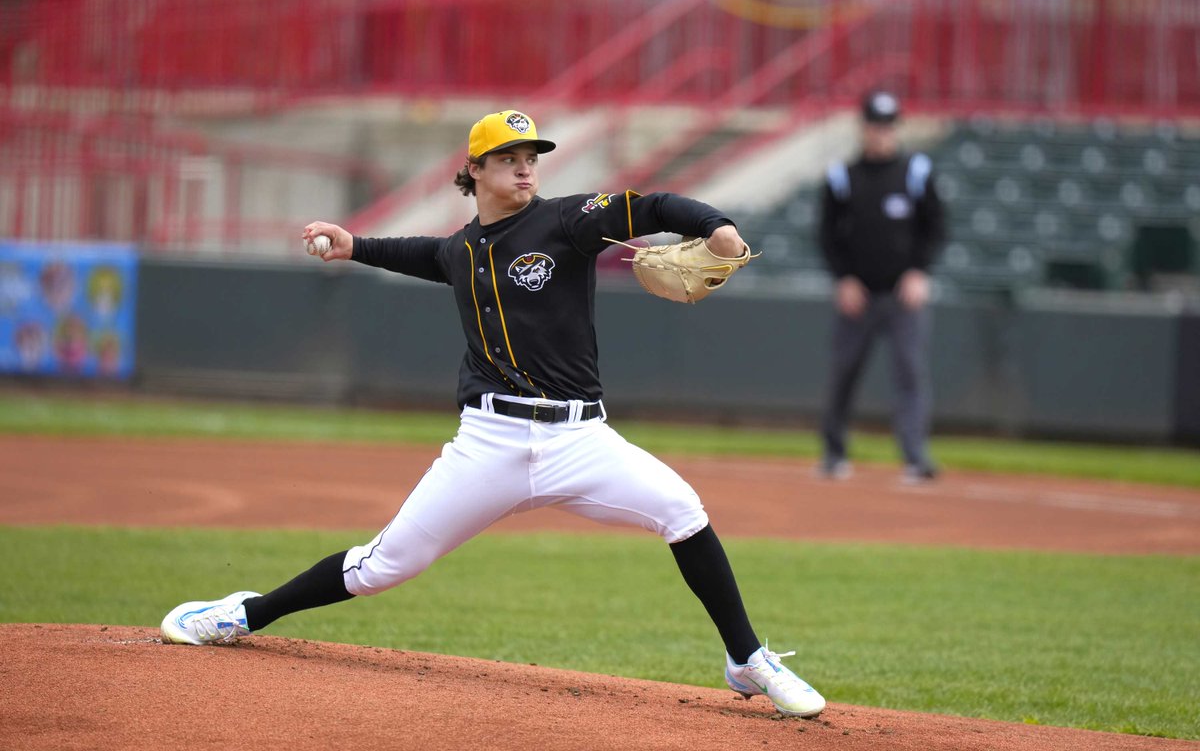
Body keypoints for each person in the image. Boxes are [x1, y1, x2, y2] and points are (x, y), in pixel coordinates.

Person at [160, 109, 826, 718]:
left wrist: (715, 226)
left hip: (581, 439)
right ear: (474, 170)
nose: (526, 166)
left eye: (531, 155)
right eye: (509, 157)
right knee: (379, 569)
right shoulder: (463, 249)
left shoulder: (568, 219)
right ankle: (246, 612)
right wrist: (353, 245)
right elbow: (426, 255)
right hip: (490, 444)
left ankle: (746, 660)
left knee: (683, 511)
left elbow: (648, 204)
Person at [816, 91, 947, 484]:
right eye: (875, 125)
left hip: (902, 295)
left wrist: (919, 272)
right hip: (858, 295)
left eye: (888, 126)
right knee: (844, 372)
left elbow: (936, 228)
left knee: (910, 373)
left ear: (896, 128)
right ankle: (834, 453)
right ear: (863, 127)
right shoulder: (843, 177)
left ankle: (914, 456)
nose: (881, 133)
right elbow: (826, 234)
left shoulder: (916, 172)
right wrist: (843, 278)